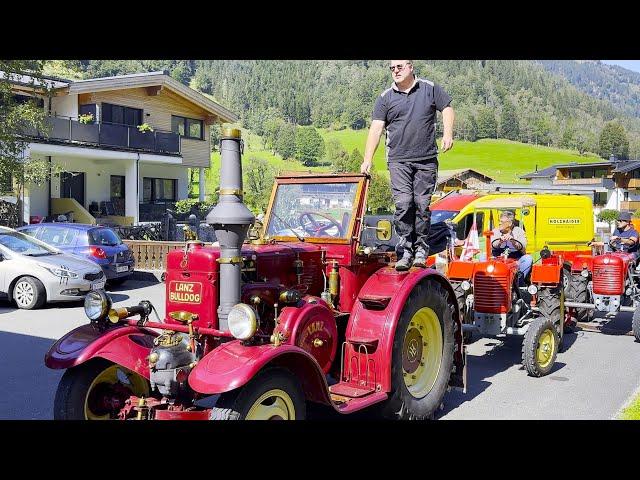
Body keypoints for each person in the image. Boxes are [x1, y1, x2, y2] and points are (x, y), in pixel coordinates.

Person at [360, 60, 454, 271]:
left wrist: (448, 134)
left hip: (426, 159)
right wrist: (367, 159)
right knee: (403, 204)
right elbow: (376, 129)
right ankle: (406, 248)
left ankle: (421, 247)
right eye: (392, 68)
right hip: (398, 160)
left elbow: (447, 109)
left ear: (411, 67)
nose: (395, 71)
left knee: (421, 205)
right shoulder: (385, 98)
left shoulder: (429, 88)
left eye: (399, 67)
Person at [490, 211, 533, 279]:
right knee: (482, 256)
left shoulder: (519, 231)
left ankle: (519, 280)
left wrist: (513, 241)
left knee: (528, 258)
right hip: (498, 258)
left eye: (502, 222)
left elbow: (523, 245)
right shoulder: (495, 231)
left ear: (510, 223)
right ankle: (488, 279)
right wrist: (500, 241)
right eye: (499, 221)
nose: (499, 223)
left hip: (515, 259)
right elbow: (492, 244)